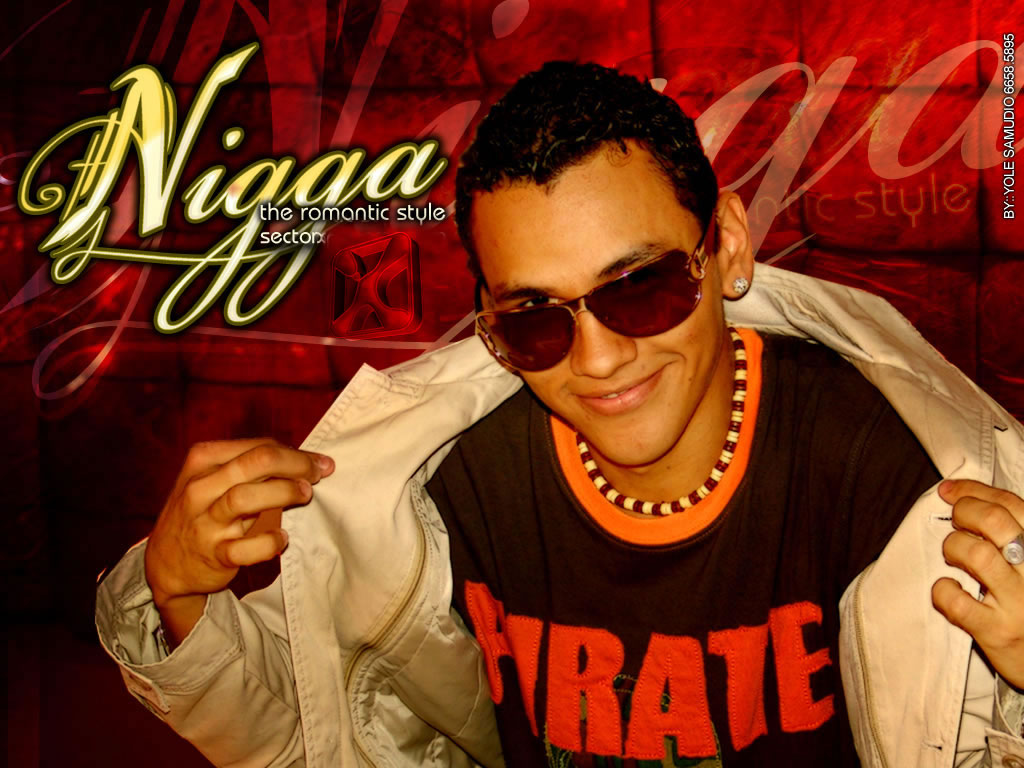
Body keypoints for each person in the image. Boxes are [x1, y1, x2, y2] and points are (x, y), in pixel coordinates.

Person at [96, 62, 1024, 767]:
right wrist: (176, 598)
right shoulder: (438, 486)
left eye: (641, 286)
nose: (599, 357)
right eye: (536, 316)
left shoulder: (898, 472)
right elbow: (322, 737)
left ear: (728, 248)